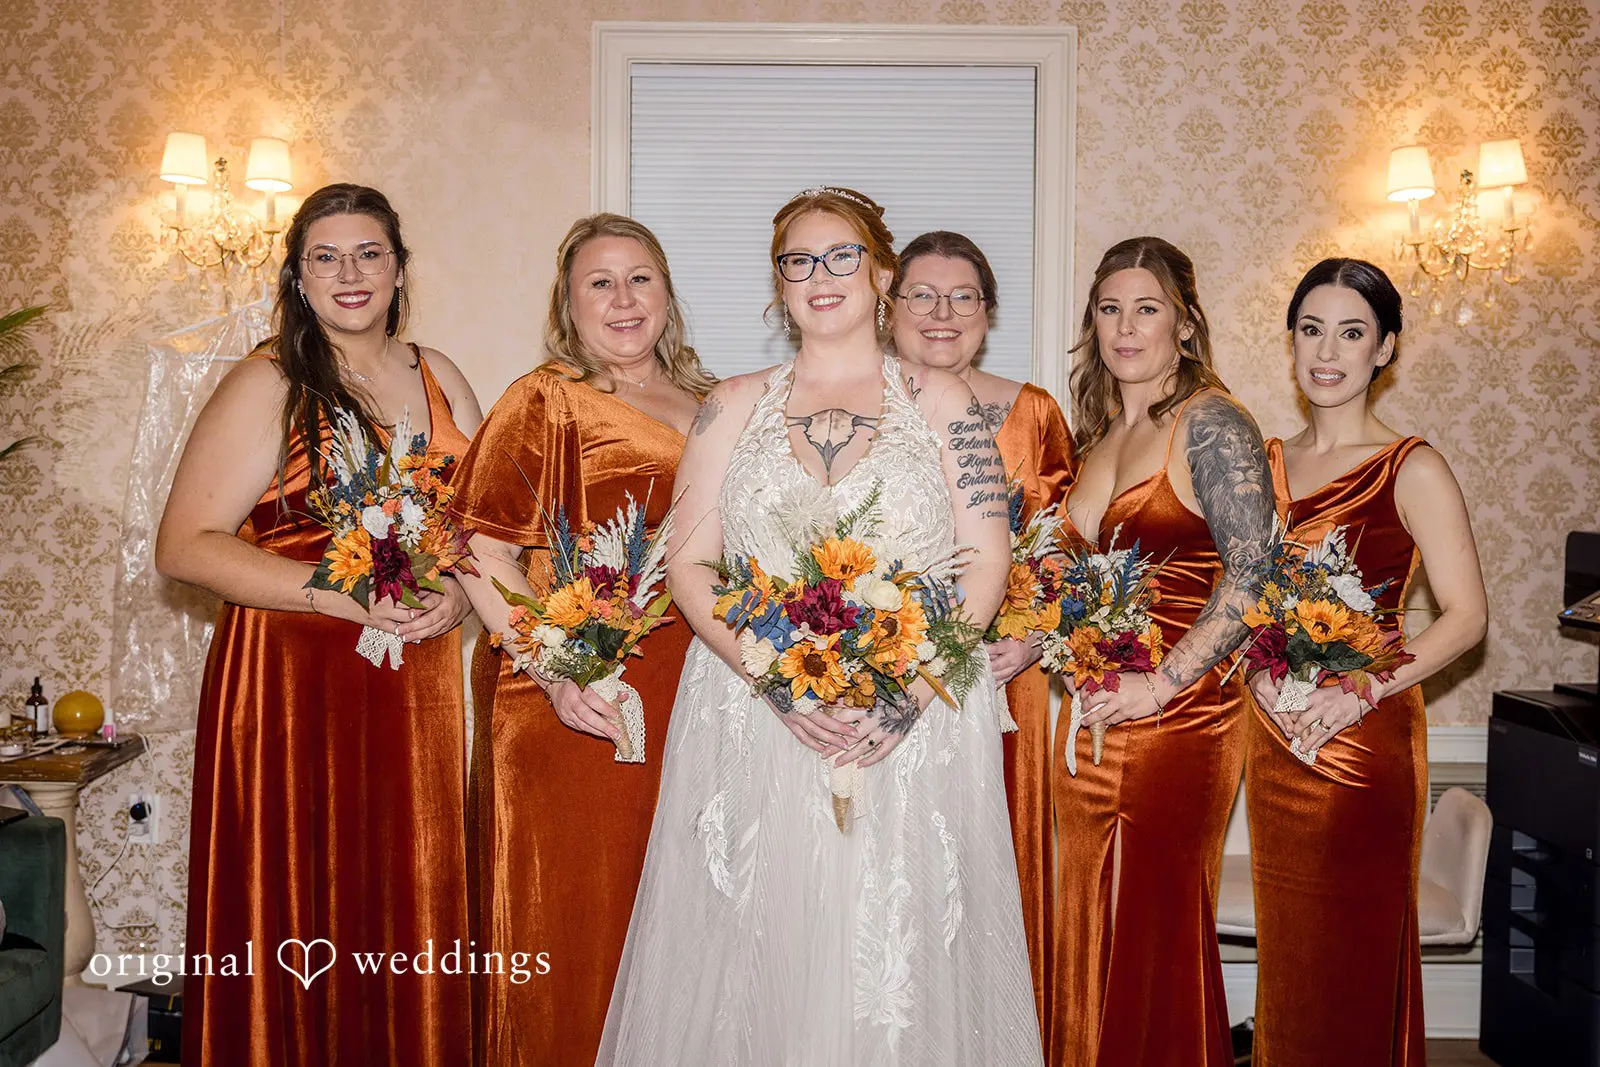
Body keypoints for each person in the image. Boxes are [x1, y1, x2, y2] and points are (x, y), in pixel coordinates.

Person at [599, 188, 1042, 1064]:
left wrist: (912, 695)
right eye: (798, 261)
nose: (820, 276)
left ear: (880, 272)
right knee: (763, 944)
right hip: (757, 716)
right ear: (780, 287)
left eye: (841, 255)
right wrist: (773, 678)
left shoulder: (945, 399)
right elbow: (688, 564)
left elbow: (986, 560)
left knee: (900, 950)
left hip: (914, 721)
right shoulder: (730, 404)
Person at [156, 184, 482, 1066]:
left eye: (368, 253)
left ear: (400, 269)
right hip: (292, 683)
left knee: (407, 892)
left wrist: (455, 589)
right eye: (325, 257)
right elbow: (184, 545)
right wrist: (334, 594)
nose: (349, 273)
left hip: (414, 684)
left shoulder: (439, 374)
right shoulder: (270, 379)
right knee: (297, 897)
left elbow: (483, 527)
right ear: (297, 278)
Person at [446, 213, 712, 1066]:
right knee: (580, 925)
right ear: (568, 302)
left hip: (699, 694)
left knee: (687, 931)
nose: (624, 298)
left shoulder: (717, 406)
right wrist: (559, 665)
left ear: (668, 292)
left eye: (640, 277)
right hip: (579, 697)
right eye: (600, 282)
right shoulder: (546, 398)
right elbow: (477, 547)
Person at [1245, 258, 1487, 1066]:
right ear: (1291, 342)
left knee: (1350, 956)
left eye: (1352, 332)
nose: (1328, 350)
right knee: (1292, 965)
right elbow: (1241, 600)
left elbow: (1467, 617)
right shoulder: (1266, 462)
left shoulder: (1411, 465)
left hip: (1362, 739)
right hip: (1276, 733)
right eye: (1312, 328)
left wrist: (1359, 691)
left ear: (1384, 349)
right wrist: (1259, 671)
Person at [1051, 236, 1274, 1066]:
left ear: (1184, 323)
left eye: (1147, 308)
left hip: (1178, 716)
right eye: (1109, 309)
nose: (1125, 326)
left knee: (1150, 921)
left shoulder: (1210, 421)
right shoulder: (1102, 430)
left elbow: (1257, 572)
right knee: (1086, 913)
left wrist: (1163, 685)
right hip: (1090, 714)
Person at [890, 230, 1074, 1041]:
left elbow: (1067, 541)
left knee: (998, 871)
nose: (942, 313)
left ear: (988, 313)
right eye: (922, 295)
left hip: (1010, 682)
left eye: (962, 296)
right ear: (889, 307)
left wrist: (1032, 639)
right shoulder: (859, 405)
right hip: (891, 679)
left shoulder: (1031, 411)